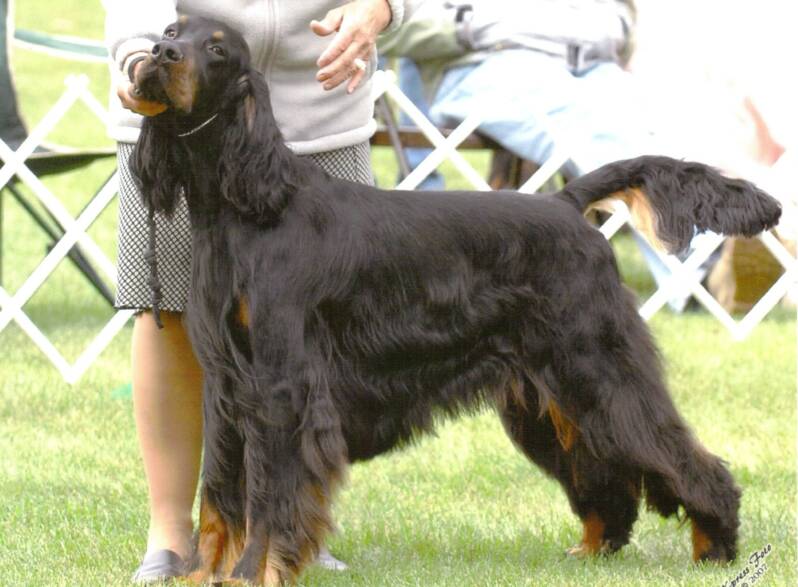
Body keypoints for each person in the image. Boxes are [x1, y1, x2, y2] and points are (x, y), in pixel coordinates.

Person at [103, 0, 418, 582]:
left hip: (322, 104)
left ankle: (289, 532)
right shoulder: (172, 55)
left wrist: (384, 6)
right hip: (177, 119)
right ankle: (178, 534)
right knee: (169, 317)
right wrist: (136, 52)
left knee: (312, 358)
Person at [380, 0, 713, 311]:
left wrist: (614, 26)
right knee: (600, 136)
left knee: (667, 129)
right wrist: (474, 26)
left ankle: (709, 249)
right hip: (488, 61)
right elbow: (386, 21)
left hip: (592, 61)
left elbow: (624, 16)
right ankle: (705, 257)